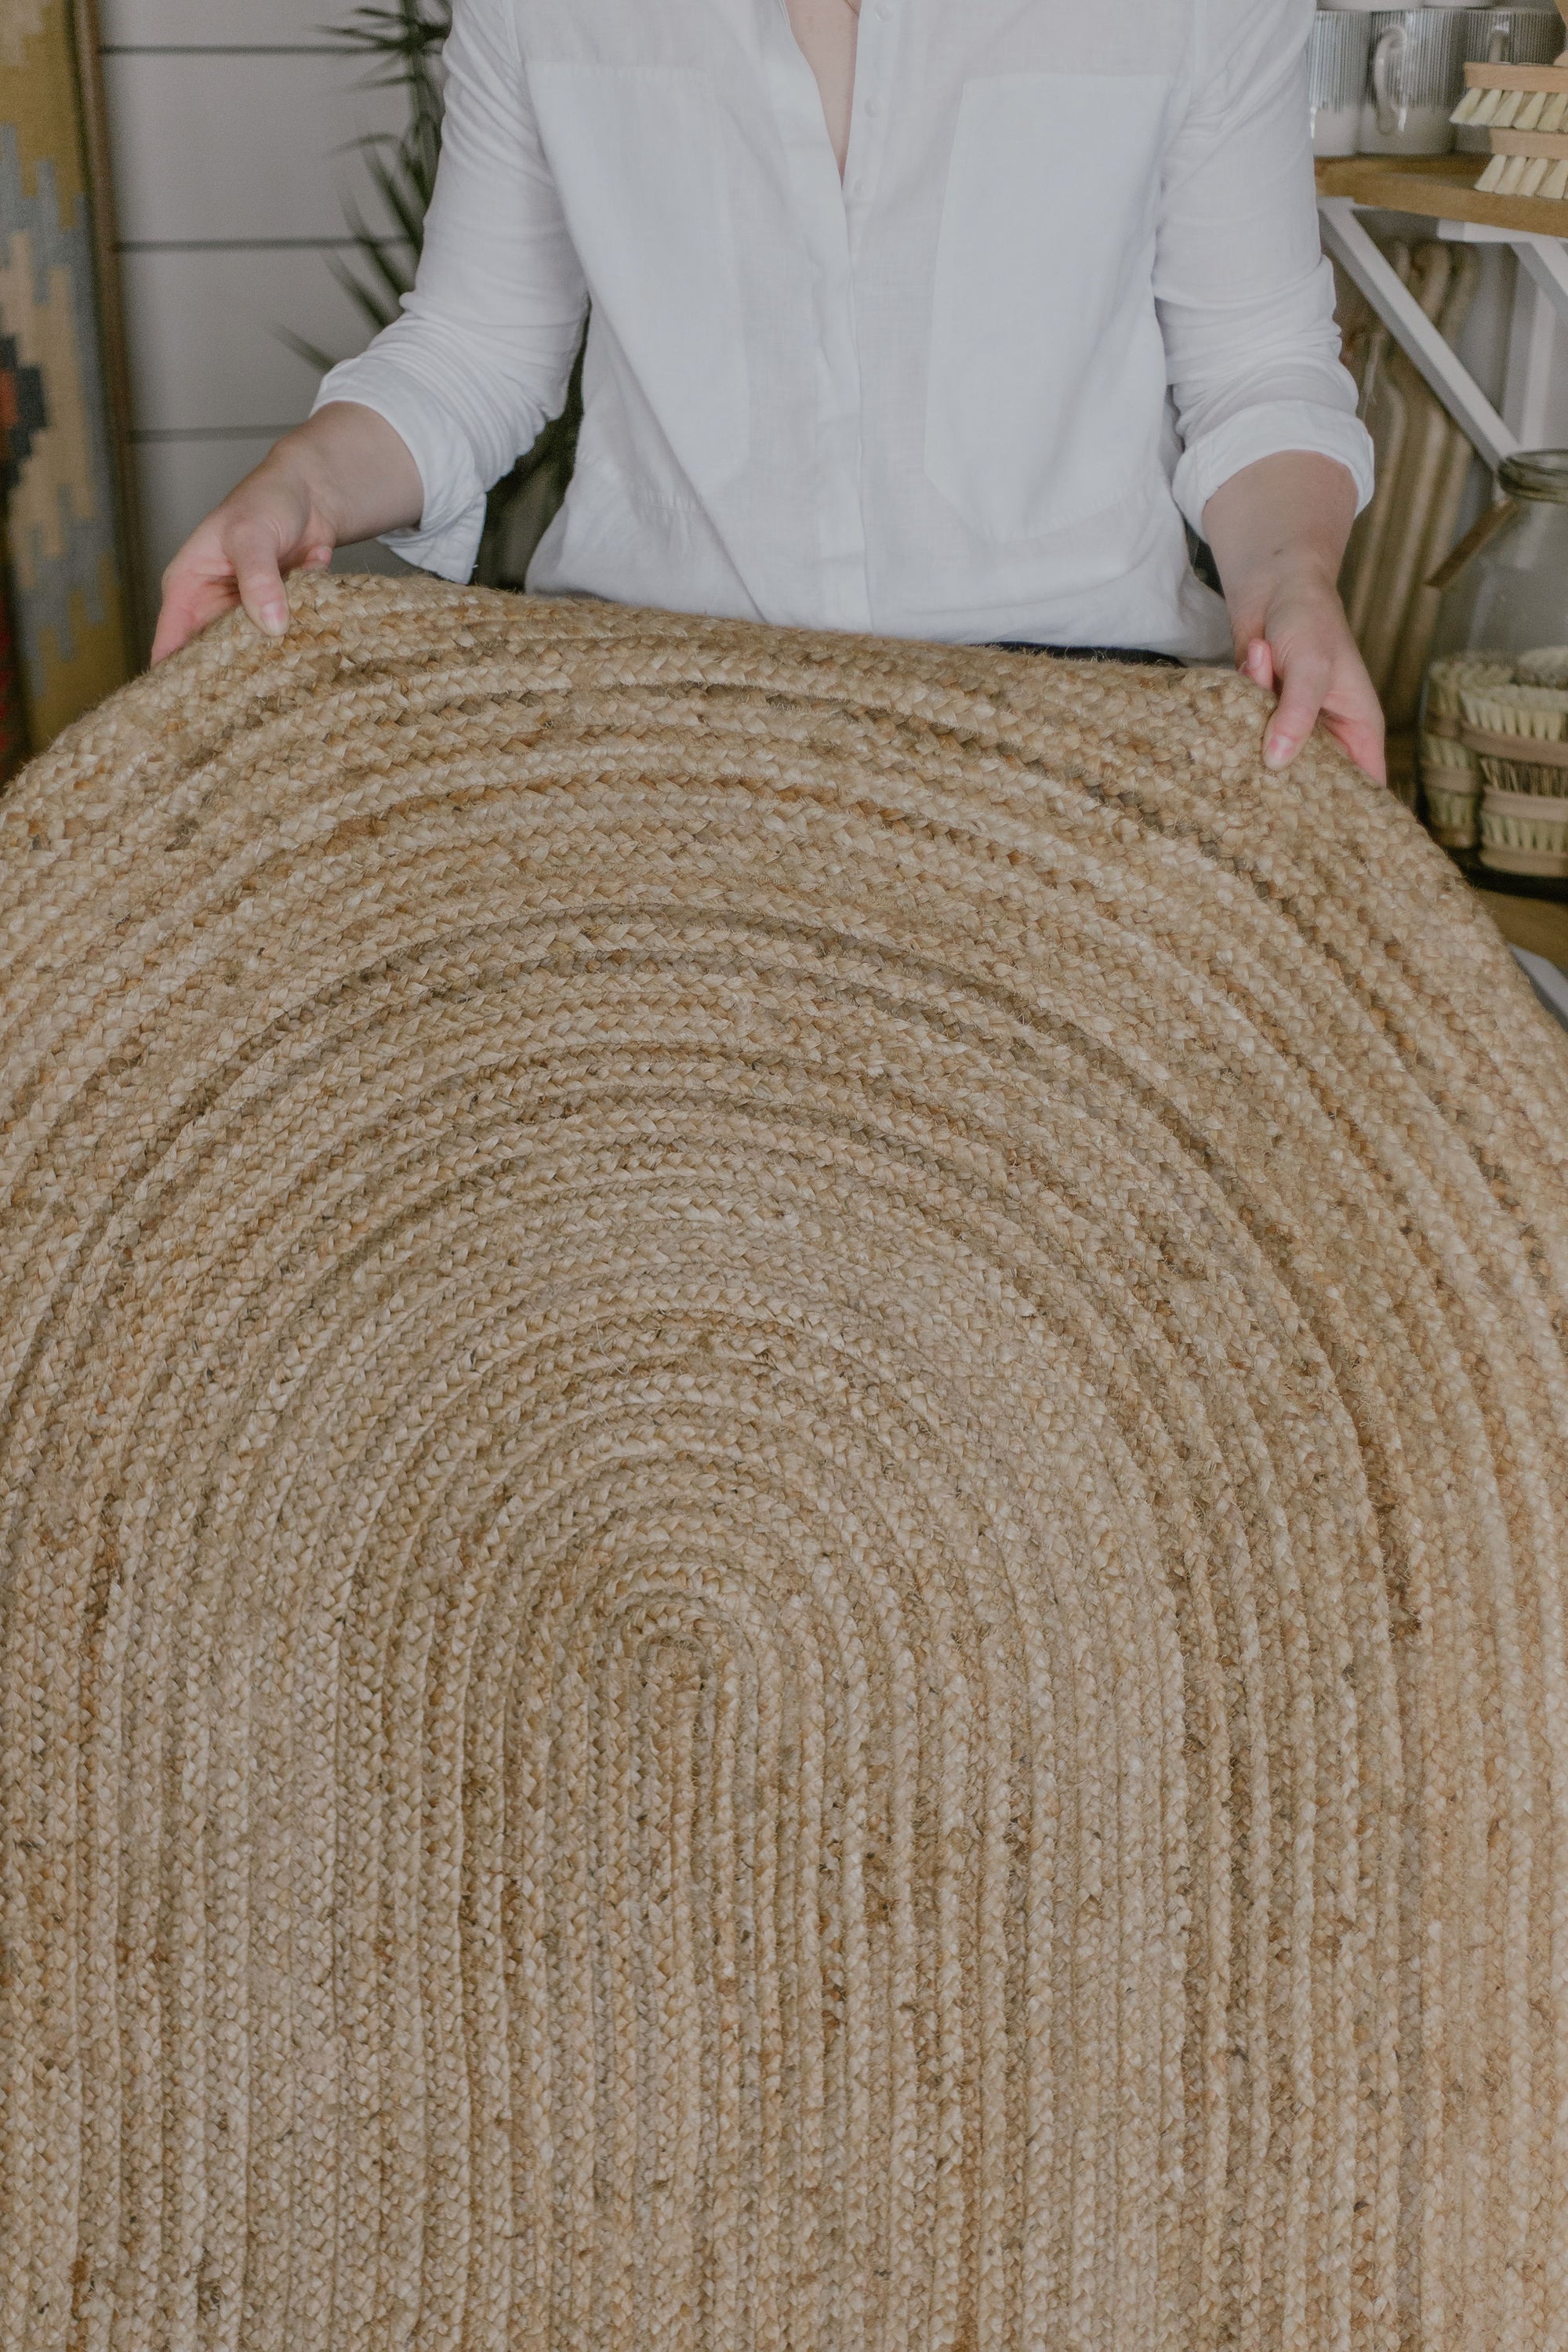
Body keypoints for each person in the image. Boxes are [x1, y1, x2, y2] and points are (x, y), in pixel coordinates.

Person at [154, 0, 1384, 782]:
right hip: (653, 727)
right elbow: (478, 346)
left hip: (1084, 726)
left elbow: (1255, 368)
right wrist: (303, 485)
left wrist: (1293, 583)